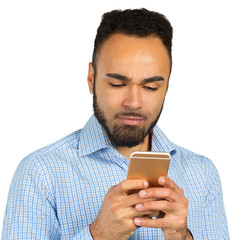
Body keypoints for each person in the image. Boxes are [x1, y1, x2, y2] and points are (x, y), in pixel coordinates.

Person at [1, 8, 229, 240]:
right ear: (91, 80)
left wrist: (182, 237)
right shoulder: (40, 172)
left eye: (151, 87)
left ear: (167, 86)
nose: (134, 102)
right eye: (117, 84)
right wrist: (98, 235)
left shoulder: (202, 174)